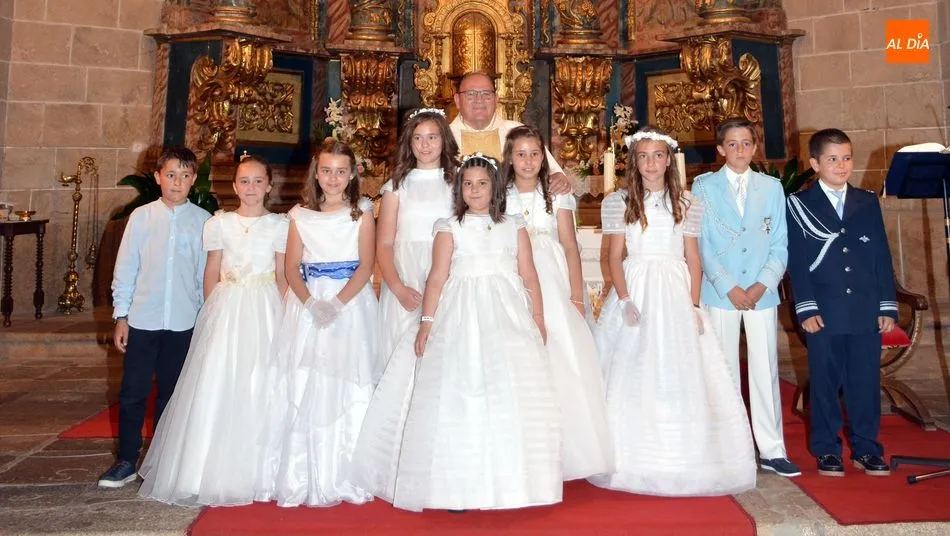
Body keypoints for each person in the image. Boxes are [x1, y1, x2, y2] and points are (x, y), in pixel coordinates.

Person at [352, 153, 562, 512]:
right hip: (460, 314)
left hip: (506, 315)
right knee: (462, 391)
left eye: (482, 183)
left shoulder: (514, 225)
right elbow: (437, 277)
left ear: (495, 187)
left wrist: (538, 317)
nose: (475, 190)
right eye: (468, 184)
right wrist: (427, 322)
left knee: (506, 389)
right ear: (459, 189)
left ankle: (511, 481)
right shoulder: (449, 227)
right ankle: (457, 482)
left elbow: (529, 275)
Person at [590, 127, 756, 496]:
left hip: (674, 289)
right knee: (632, 367)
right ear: (633, 161)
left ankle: (685, 453)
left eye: (658, 155)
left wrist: (694, 303)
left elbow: (692, 257)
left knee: (680, 367)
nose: (651, 163)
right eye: (643, 156)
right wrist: (625, 298)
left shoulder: (686, 202)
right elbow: (614, 257)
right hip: (636, 286)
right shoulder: (618, 201)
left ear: (669, 160)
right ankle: (630, 455)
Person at [138, 155, 289, 506]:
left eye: (257, 181)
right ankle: (204, 468)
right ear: (234, 186)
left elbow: (283, 275)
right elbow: (211, 271)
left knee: (261, 379)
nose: (250, 188)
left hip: (265, 305)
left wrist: (285, 317)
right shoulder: (219, 224)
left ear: (269, 185)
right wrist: (210, 312)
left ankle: (263, 470)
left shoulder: (280, 225)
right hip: (228, 306)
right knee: (220, 380)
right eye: (244, 181)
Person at [256, 140, 378, 507]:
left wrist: (338, 304)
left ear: (352, 174)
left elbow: (367, 265)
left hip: (349, 303)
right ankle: (300, 471)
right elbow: (291, 266)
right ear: (316, 172)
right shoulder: (299, 215)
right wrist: (310, 303)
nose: (333, 178)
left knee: (347, 378)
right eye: (326, 171)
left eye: (341, 171)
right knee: (304, 379)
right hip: (308, 302)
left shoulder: (363, 212)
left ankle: (347, 471)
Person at [691, 118, 801, 478]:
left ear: (755, 147)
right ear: (721, 149)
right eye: (732, 144)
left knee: (764, 368)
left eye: (747, 143)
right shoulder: (703, 186)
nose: (740, 150)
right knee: (722, 370)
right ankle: (728, 447)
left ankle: (772, 448)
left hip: (760, 293)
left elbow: (780, 243)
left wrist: (760, 286)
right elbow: (701, 242)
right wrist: (729, 287)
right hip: (721, 293)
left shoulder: (770, 188)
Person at [502, 125, 613, 480]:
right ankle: (521, 447)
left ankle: (569, 451)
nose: (529, 160)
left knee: (562, 355)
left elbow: (569, 246)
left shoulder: (557, 195)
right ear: (509, 158)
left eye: (535, 153)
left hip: (551, 279)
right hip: (513, 277)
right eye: (521, 154)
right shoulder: (499, 195)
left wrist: (576, 296)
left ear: (543, 156)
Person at [786, 128, 896, 477]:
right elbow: (798, 262)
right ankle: (826, 448)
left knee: (865, 381)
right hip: (825, 309)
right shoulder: (800, 205)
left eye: (846, 157)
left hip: (865, 308)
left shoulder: (866, 201)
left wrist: (887, 305)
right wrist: (806, 307)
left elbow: (881, 255)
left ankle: (867, 447)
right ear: (815, 163)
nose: (841, 165)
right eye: (832, 159)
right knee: (825, 381)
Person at [98, 147, 211, 488]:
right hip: (143, 319)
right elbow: (127, 267)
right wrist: (122, 315)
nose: (177, 182)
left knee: (172, 393)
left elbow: (204, 275)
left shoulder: (204, 222)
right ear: (158, 177)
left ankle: (162, 461)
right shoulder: (142, 218)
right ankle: (127, 459)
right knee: (132, 391)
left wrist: (204, 316)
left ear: (193, 179)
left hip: (182, 321)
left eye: (185, 175)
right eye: (171, 175)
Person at [377, 108, 458, 367]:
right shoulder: (397, 186)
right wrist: (397, 287)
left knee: (442, 348)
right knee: (404, 351)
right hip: (406, 273)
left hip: (447, 272)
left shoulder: (458, 181)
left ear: (444, 139)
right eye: (418, 138)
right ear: (409, 143)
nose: (425, 145)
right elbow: (384, 243)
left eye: (432, 137)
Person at [450, 72, 571, 194]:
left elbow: (554, 173)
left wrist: (558, 177)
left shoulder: (517, 132)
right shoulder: (443, 137)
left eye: (486, 94)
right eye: (470, 94)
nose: (479, 100)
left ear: (496, 99)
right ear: (457, 100)